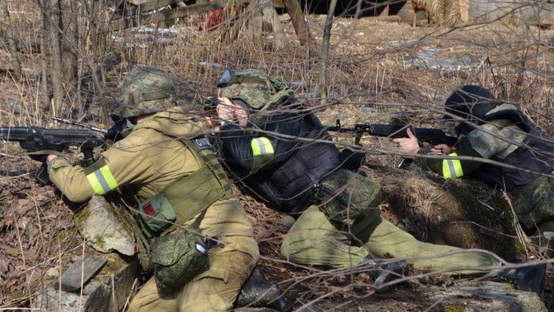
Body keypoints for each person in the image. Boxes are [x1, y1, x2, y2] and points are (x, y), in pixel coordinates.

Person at [209, 69, 546, 292]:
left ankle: (374, 266)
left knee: (297, 246)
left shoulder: (281, 120)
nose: (232, 110)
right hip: (342, 196)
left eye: (235, 104)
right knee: (415, 250)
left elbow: (247, 156)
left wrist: (226, 125)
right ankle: (507, 269)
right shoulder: (278, 118)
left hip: (332, 198)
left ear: (248, 101)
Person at [43, 66, 260, 311]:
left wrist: (53, 160)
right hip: (189, 252)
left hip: (220, 249)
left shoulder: (143, 143)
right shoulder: (185, 123)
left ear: (131, 105)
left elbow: (77, 187)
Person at [394, 84, 554, 241]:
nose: (455, 127)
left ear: (470, 115)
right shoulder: (505, 122)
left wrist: (416, 151)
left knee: (544, 259)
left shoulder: (490, 132)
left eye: (457, 120)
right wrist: (453, 152)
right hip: (545, 196)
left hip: (547, 200)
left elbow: (450, 169)